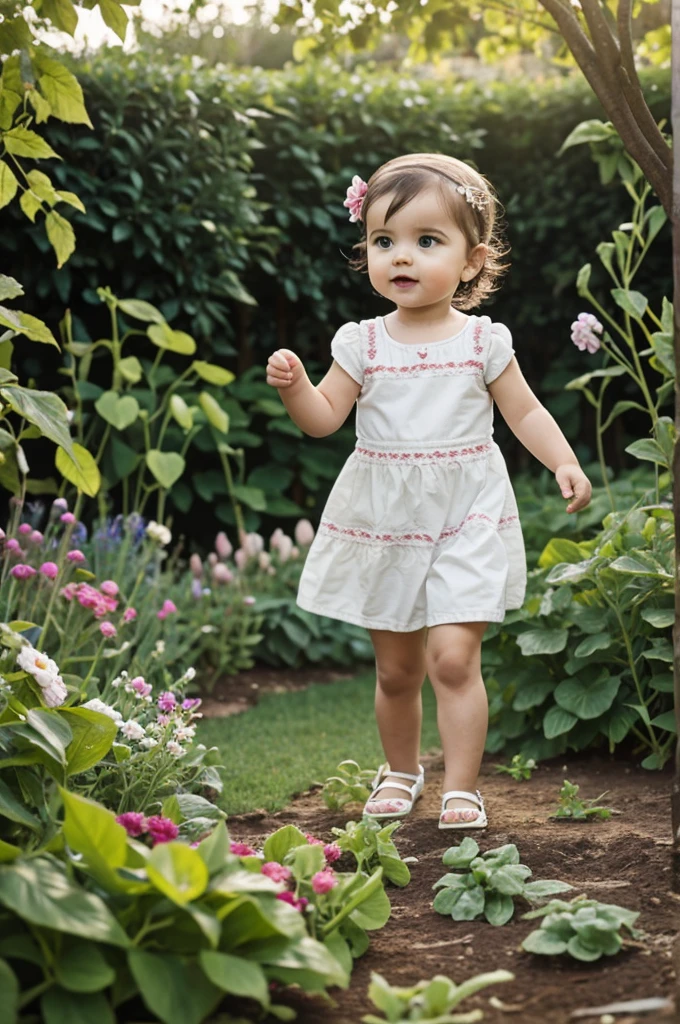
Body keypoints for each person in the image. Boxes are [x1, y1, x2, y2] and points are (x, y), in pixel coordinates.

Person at [266, 153, 592, 830]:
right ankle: (404, 770)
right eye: (384, 242)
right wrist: (298, 389)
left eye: (426, 241)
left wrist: (563, 459)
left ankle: (462, 786)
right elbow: (326, 419)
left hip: (465, 513)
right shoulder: (362, 344)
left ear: (471, 262)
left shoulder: (482, 342)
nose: (401, 257)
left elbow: (525, 413)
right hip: (386, 521)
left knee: (452, 656)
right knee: (396, 670)